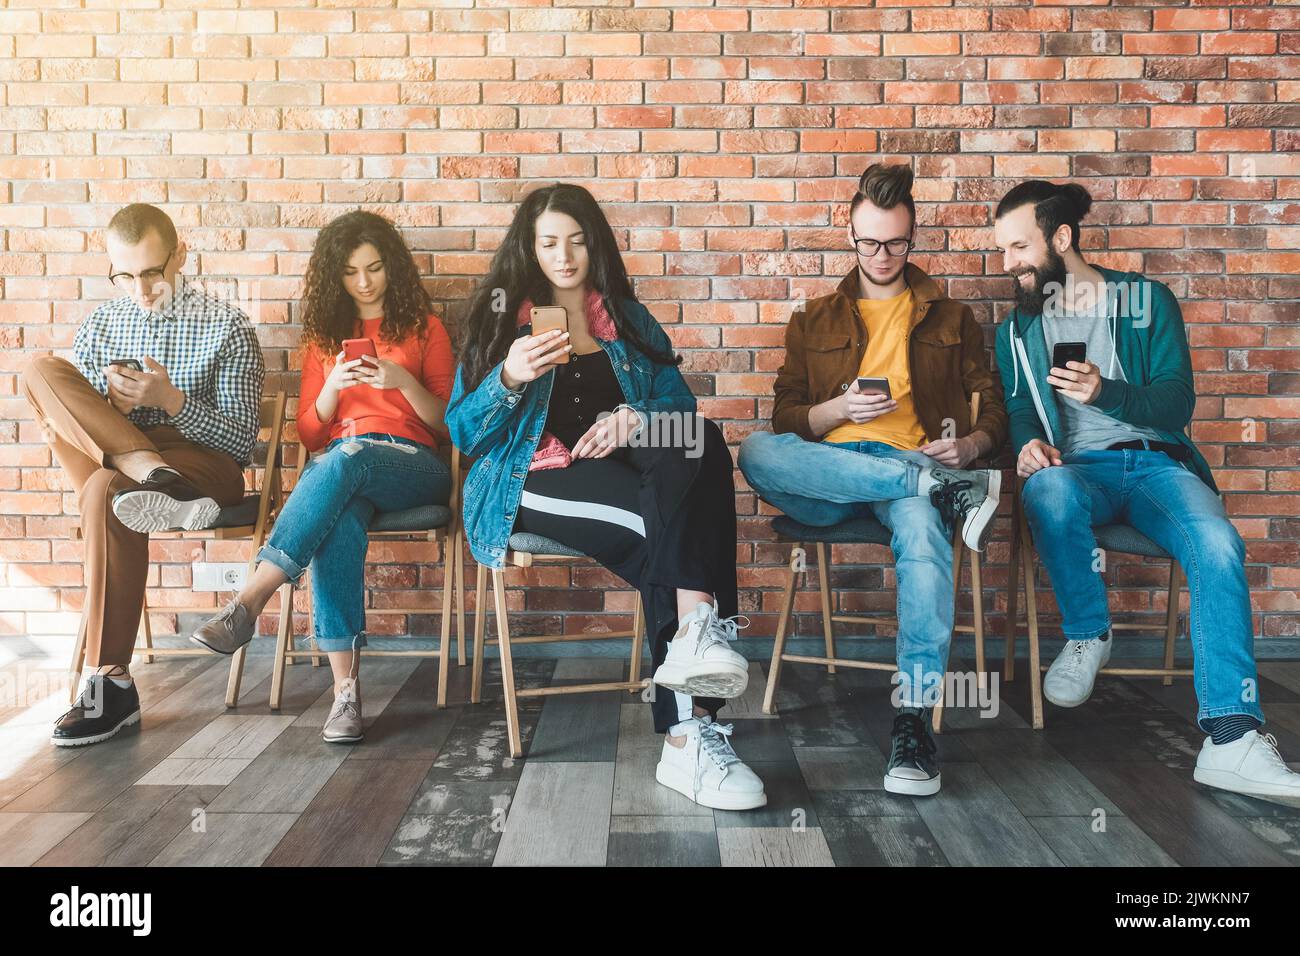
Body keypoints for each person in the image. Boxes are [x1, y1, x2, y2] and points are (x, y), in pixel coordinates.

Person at [446, 183, 765, 810]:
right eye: (548, 243)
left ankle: (695, 640)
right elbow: (462, 433)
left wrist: (635, 418)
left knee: (697, 440)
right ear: (529, 249)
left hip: (618, 465)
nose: (564, 256)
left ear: (594, 244)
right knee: (666, 534)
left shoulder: (625, 316)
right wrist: (510, 376)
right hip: (525, 477)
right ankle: (687, 735)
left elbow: (681, 408)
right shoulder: (498, 317)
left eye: (576, 241)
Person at [993, 180, 1300, 807]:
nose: (1009, 265)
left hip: (1158, 468)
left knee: (1217, 543)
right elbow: (1022, 412)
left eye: (1019, 248)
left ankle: (1232, 739)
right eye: (1002, 251)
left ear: (1061, 238)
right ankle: (1089, 633)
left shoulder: (1145, 301)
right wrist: (1027, 447)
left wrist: (1106, 390)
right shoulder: (1015, 332)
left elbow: (1175, 403)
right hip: (1077, 472)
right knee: (1045, 490)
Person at [738, 163, 1008, 796]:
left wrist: (970, 444)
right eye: (869, 242)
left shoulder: (951, 317)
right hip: (833, 474)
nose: (882, 256)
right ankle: (929, 486)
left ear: (913, 237)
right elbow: (786, 417)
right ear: (850, 235)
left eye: (896, 243)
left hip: (912, 471)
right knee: (754, 450)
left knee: (924, 541)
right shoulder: (815, 318)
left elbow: (990, 405)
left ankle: (913, 723)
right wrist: (837, 411)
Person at [191, 211, 454, 744]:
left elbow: (449, 426)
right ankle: (346, 695)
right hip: (340, 470)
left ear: (393, 269)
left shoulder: (425, 328)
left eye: (375, 269)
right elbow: (312, 435)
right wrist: (332, 383)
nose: (364, 282)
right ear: (336, 277)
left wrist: (400, 379)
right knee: (337, 515)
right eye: (352, 272)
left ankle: (251, 598)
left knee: (348, 456)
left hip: (413, 466)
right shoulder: (324, 338)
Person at [21, 202, 265, 746]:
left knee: (105, 490)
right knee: (38, 370)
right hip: (127, 462)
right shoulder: (101, 325)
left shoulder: (227, 325)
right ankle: (141, 466)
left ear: (180, 255)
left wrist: (172, 400)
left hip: (199, 465)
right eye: (125, 275)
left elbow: (242, 445)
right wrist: (111, 414)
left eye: (153, 271)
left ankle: (108, 687)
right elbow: (70, 422)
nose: (142, 288)